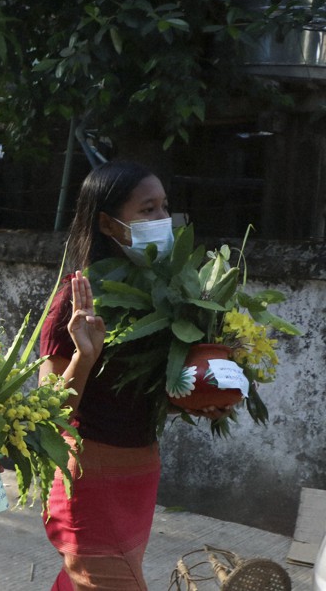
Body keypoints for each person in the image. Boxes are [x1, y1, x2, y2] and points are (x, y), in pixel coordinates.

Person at [39, 161, 222, 591]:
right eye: (147, 210)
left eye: (164, 207)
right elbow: (50, 414)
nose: (162, 219)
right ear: (107, 223)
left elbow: (145, 394)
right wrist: (84, 356)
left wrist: (201, 400)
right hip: (89, 475)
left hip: (139, 473)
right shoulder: (77, 302)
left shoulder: (169, 296)